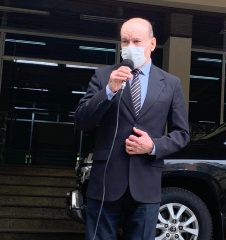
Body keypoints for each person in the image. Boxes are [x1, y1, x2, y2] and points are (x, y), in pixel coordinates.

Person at [75, 17, 190, 240]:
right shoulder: (103, 76)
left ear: (152, 44)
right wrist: (109, 90)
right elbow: (82, 121)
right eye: (124, 41)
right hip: (106, 182)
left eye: (136, 41)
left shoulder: (171, 83)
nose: (129, 48)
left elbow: (182, 134)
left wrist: (153, 145)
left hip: (146, 184)